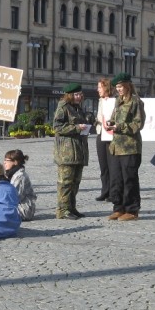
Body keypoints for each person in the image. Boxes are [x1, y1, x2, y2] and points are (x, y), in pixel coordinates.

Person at [106, 73, 145, 221]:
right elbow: (114, 118)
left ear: (128, 85)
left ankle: (132, 209)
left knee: (130, 179)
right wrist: (110, 123)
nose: (119, 89)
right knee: (116, 179)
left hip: (130, 146)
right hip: (116, 146)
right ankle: (118, 207)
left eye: (121, 86)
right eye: (117, 87)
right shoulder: (118, 101)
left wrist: (120, 127)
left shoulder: (136, 102)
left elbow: (138, 124)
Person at [53, 82, 89, 220]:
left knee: (75, 181)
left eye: (80, 94)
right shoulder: (63, 107)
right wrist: (76, 128)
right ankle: (62, 210)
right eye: (76, 94)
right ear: (70, 95)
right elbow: (57, 127)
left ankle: (71, 208)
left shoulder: (77, 108)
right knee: (65, 182)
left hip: (78, 150)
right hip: (66, 152)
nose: (79, 96)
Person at [3, 149, 37, 221]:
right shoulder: (10, 174)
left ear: (15, 162)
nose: (4, 162)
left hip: (24, 209)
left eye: (7, 160)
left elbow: (15, 197)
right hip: (14, 206)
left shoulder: (20, 176)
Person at [95, 77, 113, 202]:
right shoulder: (100, 101)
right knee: (103, 165)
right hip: (100, 133)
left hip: (111, 134)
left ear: (106, 88)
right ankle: (104, 190)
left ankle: (113, 191)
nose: (98, 90)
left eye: (100, 87)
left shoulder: (113, 101)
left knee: (112, 165)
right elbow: (99, 117)